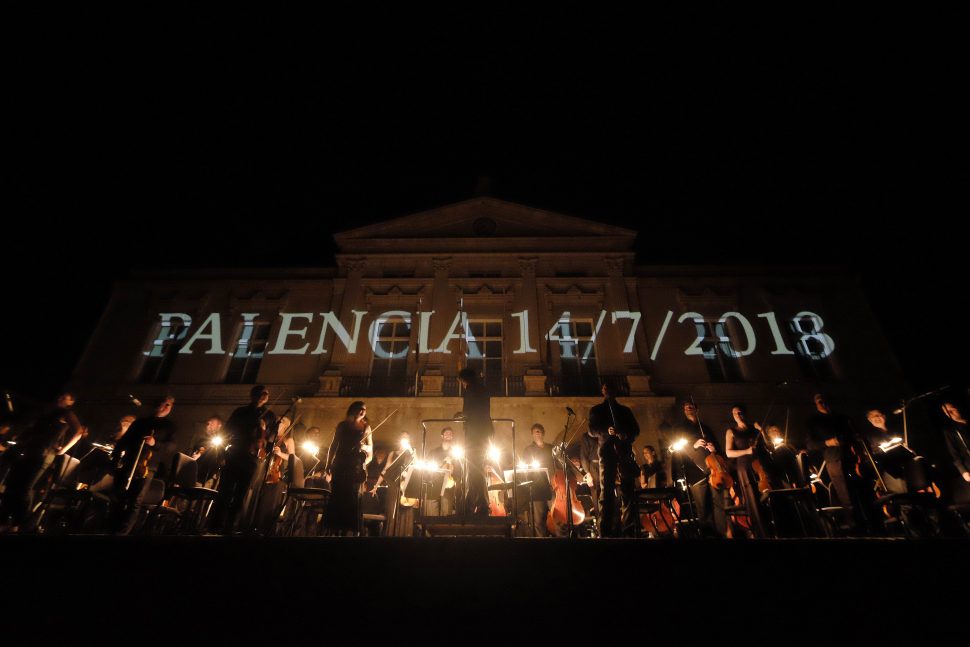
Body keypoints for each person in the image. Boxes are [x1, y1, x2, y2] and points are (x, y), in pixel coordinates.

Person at [0, 392, 84, 532]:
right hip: (27, 451)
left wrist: (63, 450)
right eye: (60, 396)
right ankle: (4, 521)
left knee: (24, 488)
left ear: (71, 402)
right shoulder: (47, 412)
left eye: (65, 398)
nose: (60, 398)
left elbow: (78, 431)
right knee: (12, 486)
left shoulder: (66, 413)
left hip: (42, 454)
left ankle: (18, 524)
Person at [110, 396, 177, 534]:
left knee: (135, 501)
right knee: (118, 498)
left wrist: (155, 443)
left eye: (168, 405)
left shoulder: (169, 426)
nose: (164, 406)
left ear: (171, 408)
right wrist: (115, 459)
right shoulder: (140, 422)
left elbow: (170, 447)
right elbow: (124, 441)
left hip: (147, 467)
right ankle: (111, 529)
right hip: (128, 462)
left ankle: (122, 533)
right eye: (162, 403)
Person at [209, 385, 270, 534]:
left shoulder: (269, 415)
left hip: (252, 457)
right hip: (235, 452)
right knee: (225, 490)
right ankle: (215, 526)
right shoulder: (241, 412)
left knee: (241, 494)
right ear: (252, 395)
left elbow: (270, 438)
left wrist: (264, 430)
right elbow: (228, 430)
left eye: (266, 394)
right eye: (260, 393)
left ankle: (232, 526)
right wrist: (222, 453)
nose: (263, 396)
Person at [667, 400, 729, 537]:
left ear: (697, 409)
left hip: (713, 471)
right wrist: (693, 445)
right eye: (686, 407)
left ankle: (722, 533)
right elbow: (676, 448)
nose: (689, 409)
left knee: (718, 505)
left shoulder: (705, 428)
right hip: (695, 472)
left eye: (691, 406)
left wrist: (714, 449)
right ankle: (708, 536)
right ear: (684, 410)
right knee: (703, 507)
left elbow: (718, 448)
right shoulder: (679, 428)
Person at [588, 383, 640, 537]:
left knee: (628, 492)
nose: (608, 391)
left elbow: (635, 431)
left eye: (610, 388)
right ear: (602, 391)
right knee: (607, 492)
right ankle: (605, 531)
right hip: (607, 454)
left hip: (624, 454)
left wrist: (623, 434)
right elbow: (591, 430)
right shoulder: (596, 410)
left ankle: (629, 530)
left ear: (614, 391)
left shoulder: (625, 411)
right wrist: (606, 430)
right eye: (605, 388)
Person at [324, 401, 371, 535]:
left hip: (355, 467)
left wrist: (363, 448)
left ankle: (346, 532)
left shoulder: (366, 427)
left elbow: (370, 449)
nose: (362, 412)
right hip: (340, 464)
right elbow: (333, 445)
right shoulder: (343, 425)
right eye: (360, 409)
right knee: (338, 496)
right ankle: (334, 531)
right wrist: (328, 464)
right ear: (353, 410)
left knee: (351, 499)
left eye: (364, 410)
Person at [724, 404, 768, 537]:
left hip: (759, 467)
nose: (738, 415)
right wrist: (746, 451)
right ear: (733, 416)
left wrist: (762, 430)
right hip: (744, 468)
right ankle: (760, 533)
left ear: (745, 413)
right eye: (735, 413)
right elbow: (728, 453)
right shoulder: (731, 431)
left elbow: (768, 445)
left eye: (740, 412)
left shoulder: (754, 429)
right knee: (753, 501)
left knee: (766, 498)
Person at [458, 367, 493, 517]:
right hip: (482, 432)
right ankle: (479, 504)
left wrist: (462, 415)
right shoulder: (482, 389)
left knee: (474, 470)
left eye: (461, 381)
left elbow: (471, 411)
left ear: (464, 380)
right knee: (477, 469)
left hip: (475, 434)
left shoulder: (471, 390)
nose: (461, 384)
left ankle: (475, 505)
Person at [520, 423, 555, 536]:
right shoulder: (528, 450)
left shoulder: (551, 448)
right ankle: (541, 542)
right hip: (537, 488)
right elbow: (525, 468)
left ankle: (561, 540)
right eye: (535, 432)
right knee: (538, 520)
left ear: (543, 433)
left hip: (552, 486)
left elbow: (557, 464)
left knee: (557, 515)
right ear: (532, 435)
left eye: (539, 431)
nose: (537, 434)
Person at [427, 427, 462, 516]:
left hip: (448, 485)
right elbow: (428, 467)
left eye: (450, 434)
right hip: (434, 484)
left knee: (446, 513)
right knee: (432, 513)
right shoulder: (433, 452)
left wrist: (452, 465)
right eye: (446, 433)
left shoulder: (456, 454)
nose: (448, 435)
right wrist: (443, 462)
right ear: (442, 436)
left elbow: (458, 470)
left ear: (452, 437)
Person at [941, 401, 970, 504]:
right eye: (947, 412)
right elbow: (954, 453)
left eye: (951, 409)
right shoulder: (950, 431)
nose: (950, 413)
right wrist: (963, 471)